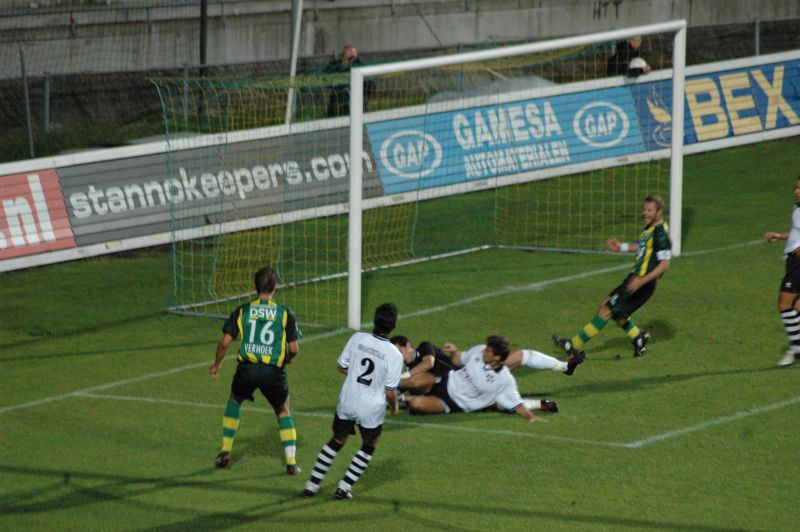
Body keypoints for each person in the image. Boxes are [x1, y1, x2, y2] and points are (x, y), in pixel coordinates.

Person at [303, 303, 404, 500]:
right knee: (370, 444)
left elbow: (341, 366)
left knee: (337, 440)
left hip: (348, 400)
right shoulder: (395, 354)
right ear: (393, 326)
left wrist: (355, 375)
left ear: (375, 320)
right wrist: (395, 406)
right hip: (371, 408)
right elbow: (390, 392)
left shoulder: (357, 338)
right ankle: (344, 487)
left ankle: (311, 485)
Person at [553, 195, 672, 358]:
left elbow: (665, 264)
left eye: (649, 210)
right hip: (635, 279)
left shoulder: (660, 233)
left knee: (606, 310)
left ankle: (572, 345)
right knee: (612, 308)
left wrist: (641, 282)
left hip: (640, 282)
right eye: (644, 209)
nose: (645, 213)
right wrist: (620, 246)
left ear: (659, 212)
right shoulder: (650, 229)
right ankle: (638, 338)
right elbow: (640, 247)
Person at [209, 267, 302, 475]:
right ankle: (291, 462)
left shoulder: (243, 311)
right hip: (273, 372)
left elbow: (225, 343)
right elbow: (294, 348)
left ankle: (225, 449)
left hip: (247, 370)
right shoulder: (285, 313)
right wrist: (287, 358)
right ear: (274, 287)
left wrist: (217, 365)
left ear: (255, 287)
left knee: (234, 400)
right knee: (283, 411)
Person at [400, 335, 550, 421]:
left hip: (451, 403)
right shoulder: (479, 351)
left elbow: (516, 404)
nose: (484, 350)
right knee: (415, 380)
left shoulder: (505, 380)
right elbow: (459, 360)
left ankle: (404, 400)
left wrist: (531, 416)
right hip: (445, 381)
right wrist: (454, 351)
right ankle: (386, 391)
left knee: (416, 405)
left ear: (497, 357)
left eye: (489, 350)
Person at [765, 175, 800, 366]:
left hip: (798, 263)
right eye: (795, 188)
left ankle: (796, 349)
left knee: (784, 304)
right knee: (796, 307)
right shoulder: (797, 209)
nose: (796, 191)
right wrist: (779, 236)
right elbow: (796, 232)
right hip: (793, 261)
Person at [325, 44, 375, 117]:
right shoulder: (335, 67)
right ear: (343, 57)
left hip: (356, 110)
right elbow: (326, 78)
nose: (352, 61)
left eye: (354, 58)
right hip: (338, 108)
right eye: (350, 58)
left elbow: (371, 87)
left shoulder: (359, 68)